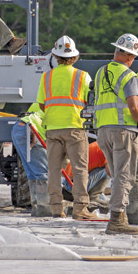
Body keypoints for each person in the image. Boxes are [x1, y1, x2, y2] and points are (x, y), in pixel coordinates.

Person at [92, 33, 138, 235]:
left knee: (116, 174)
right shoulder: (129, 76)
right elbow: (134, 108)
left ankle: (118, 217)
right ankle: (116, 220)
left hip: (103, 130)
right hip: (122, 131)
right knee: (125, 176)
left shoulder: (100, 73)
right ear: (131, 57)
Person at [37, 35, 95, 220]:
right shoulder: (83, 76)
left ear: (55, 55)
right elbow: (89, 101)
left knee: (54, 170)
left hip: (53, 128)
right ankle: (80, 209)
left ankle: (56, 209)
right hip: (75, 128)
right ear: (75, 57)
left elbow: (41, 104)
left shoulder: (46, 77)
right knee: (79, 169)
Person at [11, 102, 50, 216]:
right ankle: (45, 208)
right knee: (43, 172)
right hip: (30, 131)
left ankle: (37, 206)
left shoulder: (41, 102)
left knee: (32, 173)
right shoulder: (60, 110)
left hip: (19, 128)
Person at [63, 141, 110, 212]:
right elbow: (110, 172)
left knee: (106, 167)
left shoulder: (101, 144)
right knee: (109, 170)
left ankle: (98, 195)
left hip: (69, 186)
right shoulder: (109, 149)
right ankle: (94, 197)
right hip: (73, 188)